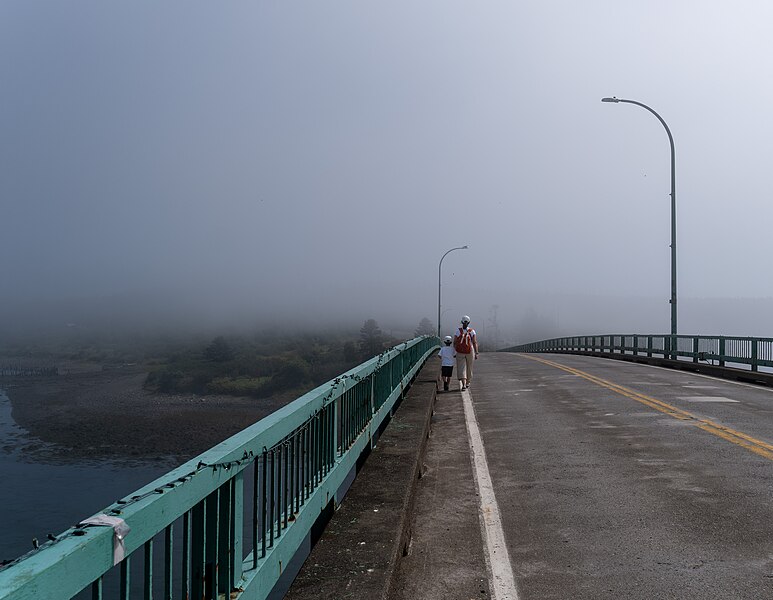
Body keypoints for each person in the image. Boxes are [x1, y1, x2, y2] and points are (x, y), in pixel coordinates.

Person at [453, 315, 479, 391]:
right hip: (469, 350)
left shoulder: (458, 331)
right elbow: (474, 342)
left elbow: (454, 343)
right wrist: (476, 352)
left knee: (462, 367)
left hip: (460, 351)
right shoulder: (472, 331)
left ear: (462, 322)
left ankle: (463, 384)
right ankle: (468, 383)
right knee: (469, 367)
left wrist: (455, 351)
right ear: (469, 322)